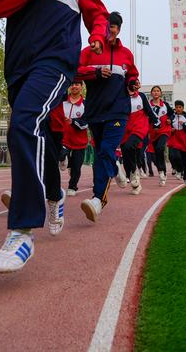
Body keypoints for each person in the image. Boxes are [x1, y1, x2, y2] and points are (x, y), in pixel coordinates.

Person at [0, 0, 109, 272]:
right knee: (29, 131)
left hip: (56, 62)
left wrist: (99, 35)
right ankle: (54, 195)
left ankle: (22, 231)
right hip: (18, 66)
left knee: (24, 123)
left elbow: (97, 12)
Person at [76, 11, 138, 221]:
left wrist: (132, 83)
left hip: (118, 111)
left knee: (105, 151)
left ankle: (98, 199)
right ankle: (115, 168)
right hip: (95, 111)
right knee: (102, 156)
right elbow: (73, 72)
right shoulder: (88, 52)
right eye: (106, 26)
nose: (109, 29)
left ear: (118, 29)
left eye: (113, 26)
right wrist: (94, 73)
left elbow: (132, 75)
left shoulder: (126, 54)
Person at [119, 79, 160, 195]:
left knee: (128, 147)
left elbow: (149, 110)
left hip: (139, 127)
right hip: (124, 128)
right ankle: (132, 174)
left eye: (138, 83)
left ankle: (134, 173)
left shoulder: (141, 96)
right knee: (126, 154)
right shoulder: (120, 97)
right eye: (135, 83)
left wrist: (156, 121)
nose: (138, 85)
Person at [55, 80, 88, 196]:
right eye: (72, 84)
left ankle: (72, 186)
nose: (74, 86)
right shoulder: (62, 101)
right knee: (61, 154)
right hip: (64, 138)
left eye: (77, 84)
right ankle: (64, 160)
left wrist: (73, 122)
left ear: (81, 87)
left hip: (80, 141)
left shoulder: (86, 104)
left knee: (76, 167)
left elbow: (85, 123)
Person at [148, 86, 174, 186]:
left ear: (160, 93)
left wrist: (170, 120)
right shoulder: (148, 106)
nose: (156, 92)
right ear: (151, 93)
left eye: (158, 91)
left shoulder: (165, 105)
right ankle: (160, 171)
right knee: (156, 153)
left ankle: (162, 171)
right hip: (153, 132)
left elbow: (172, 114)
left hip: (164, 130)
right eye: (154, 91)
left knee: (160, 148)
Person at [168, 100, 186, 184]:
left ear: (183, 108)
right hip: (175, 139)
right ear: (175, 108)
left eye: (180, 107)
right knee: (175, 156)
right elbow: (167, 127)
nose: (178, 109)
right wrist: (170, 129)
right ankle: (179, 169)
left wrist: (184, 125)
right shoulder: (172, 117)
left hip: (185, 139)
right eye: (176, 107)